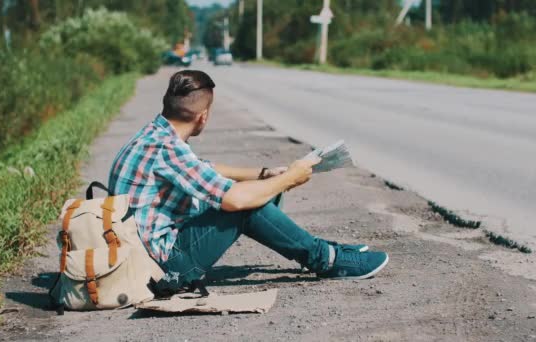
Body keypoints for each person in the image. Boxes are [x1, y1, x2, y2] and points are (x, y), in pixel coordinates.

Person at [108, 70, 388, 293]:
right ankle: (325, 259)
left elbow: (205, 169)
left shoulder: (155, 135)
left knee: (259, 191)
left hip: (140, 256)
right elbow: (235, 200)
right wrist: (291, 177)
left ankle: (322, 249)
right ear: (203, 116)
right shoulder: (168, 149)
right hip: (164, 268)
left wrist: (265, 174)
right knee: (246, 205)